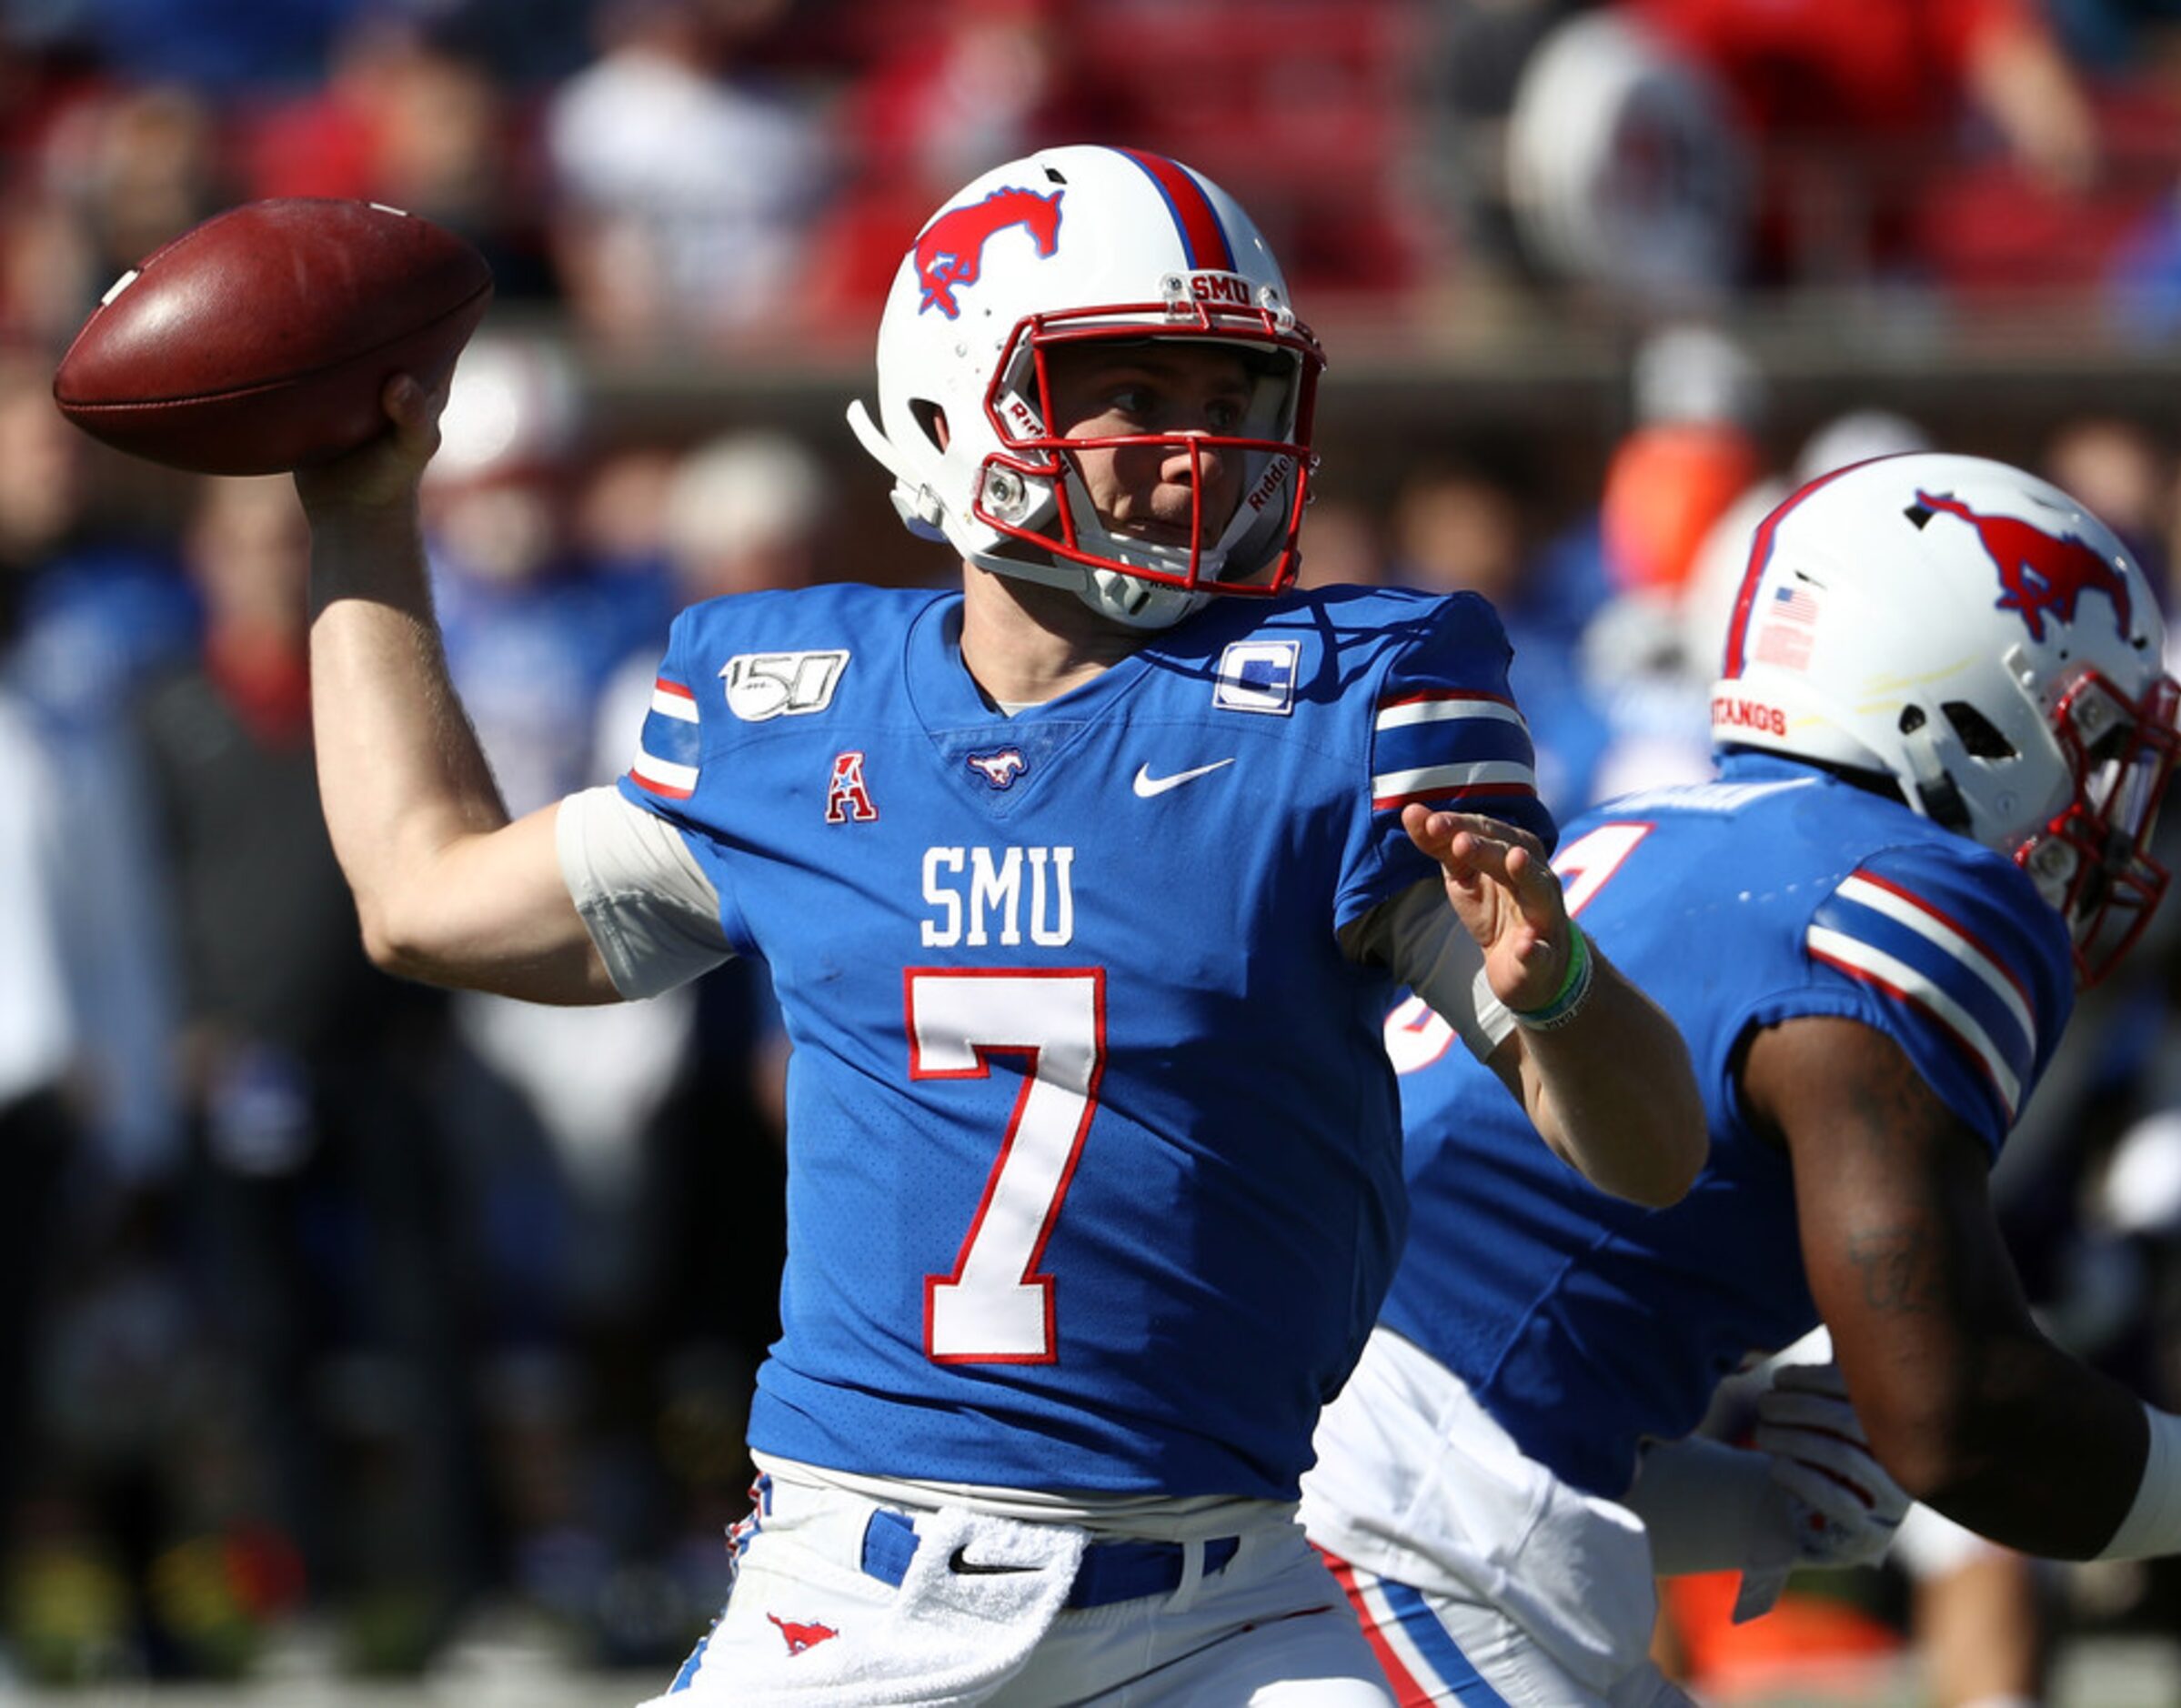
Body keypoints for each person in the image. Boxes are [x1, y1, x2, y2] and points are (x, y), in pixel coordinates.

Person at [287, 144, 1705, 1704]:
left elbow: (1644, 1153)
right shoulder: (796, 716)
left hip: (1227, 1608)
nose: (1197, 452)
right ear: (961, 401)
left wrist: (1557, 980)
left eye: (1230, 399)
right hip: (854, 1593)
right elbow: (424, 899)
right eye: (1135, 391)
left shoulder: (1344, 708)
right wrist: (359, 517)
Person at [1297, 451, 2181, 1707]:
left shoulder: (1645, 831)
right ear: (1969, 705)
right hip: (1379, 1529)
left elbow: (1495, 1349)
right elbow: (1965, 1425)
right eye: (2087, 735)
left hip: (1325, 1476)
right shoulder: (1909, 890)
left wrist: (1762, 1504)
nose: (2103, 800)